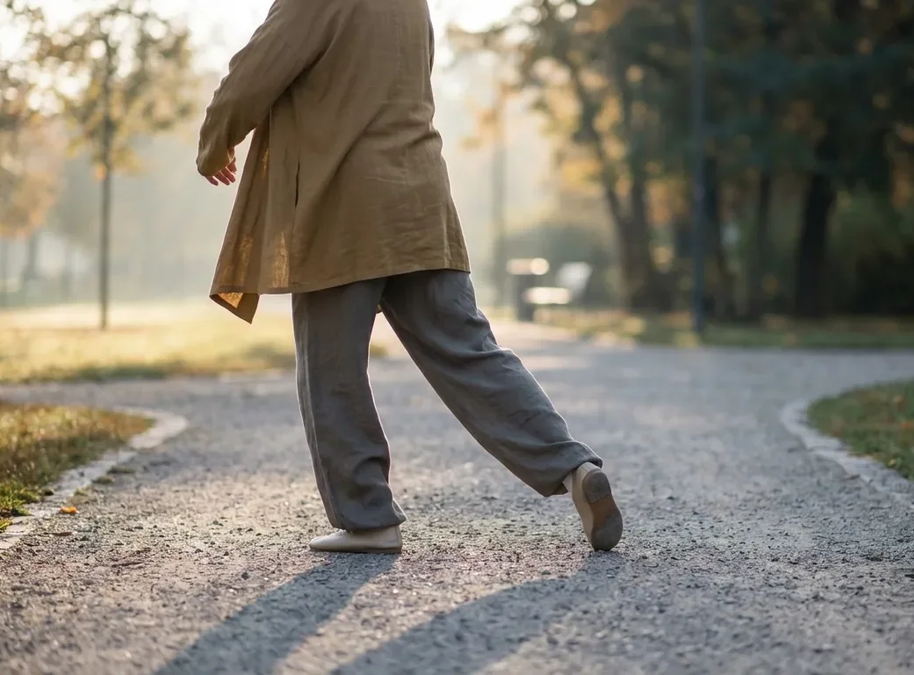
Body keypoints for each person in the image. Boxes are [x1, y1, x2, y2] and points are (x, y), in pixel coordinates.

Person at [195, 0, 622, 554]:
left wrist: (215, 139)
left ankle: (369, 516)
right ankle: (572, 466)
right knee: (470, 350)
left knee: (333, 367)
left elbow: (258, 67)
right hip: (420, 197)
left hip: (342, 202)